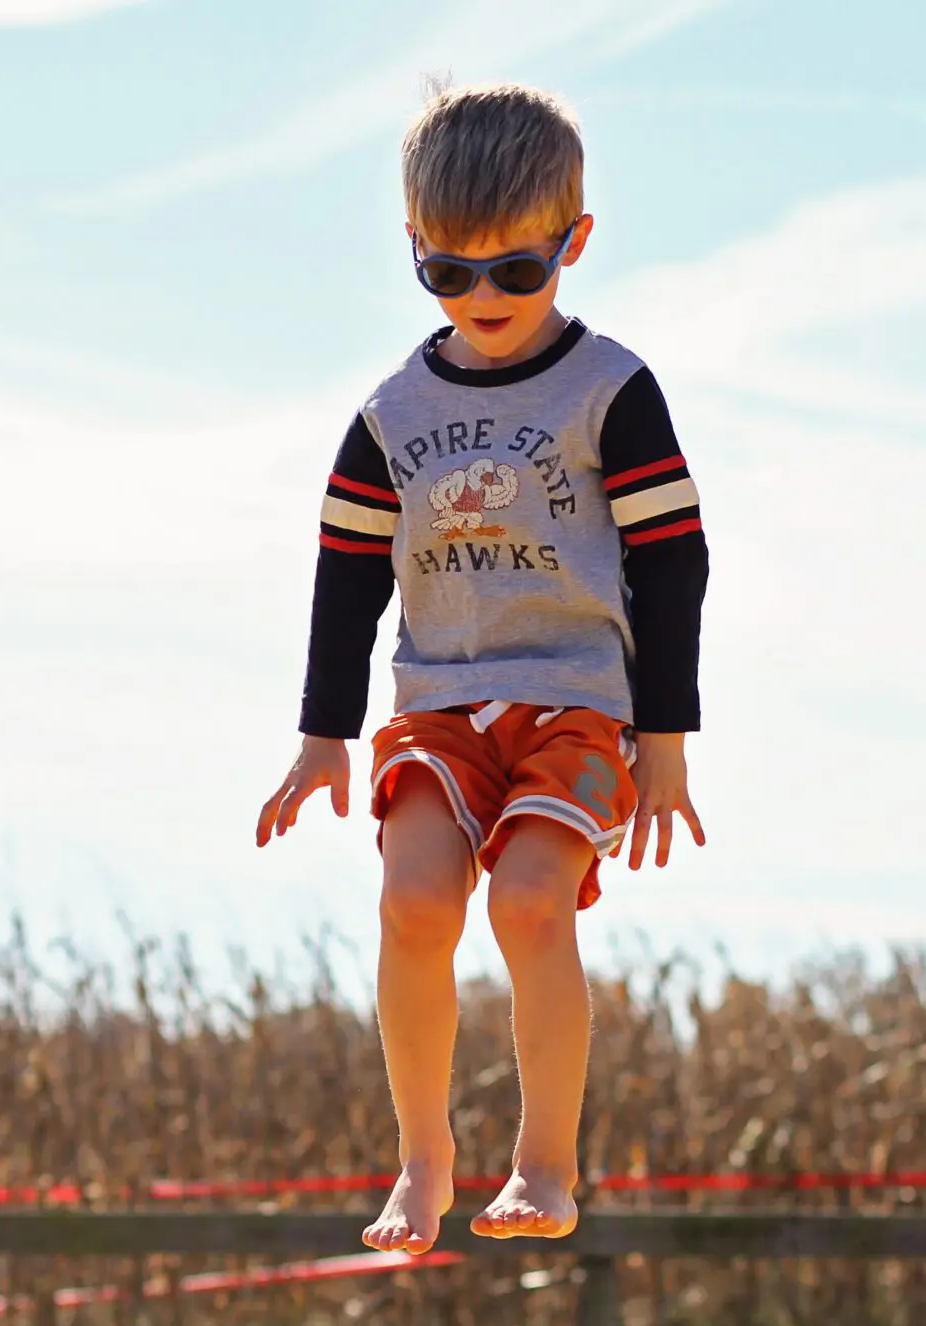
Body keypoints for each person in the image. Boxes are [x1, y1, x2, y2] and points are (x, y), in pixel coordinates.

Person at [256, 83, 712, 1255]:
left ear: (574, 244)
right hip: (440, 700)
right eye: (448, 274)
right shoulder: (392, 414)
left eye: (517, 271)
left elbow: (671, 563)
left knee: (526, 901)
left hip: (577, 703)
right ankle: (423, 1159)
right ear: (413, 252)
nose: (484, 298)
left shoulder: (611, 391)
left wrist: (662, 740)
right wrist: (323, 733)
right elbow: (347, 571)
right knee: (413, 902)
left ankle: (545, 1162)